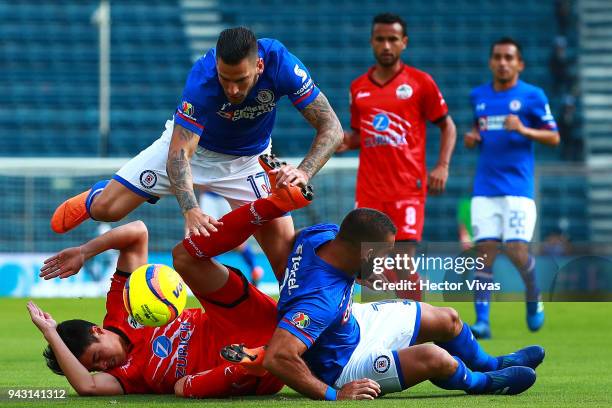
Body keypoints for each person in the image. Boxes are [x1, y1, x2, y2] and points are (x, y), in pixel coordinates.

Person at [170, 159, 544, 401]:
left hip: (353, 322)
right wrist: (334, 394)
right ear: (358, 252)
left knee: (447, 319)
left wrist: (275, 176)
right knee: (436, 358)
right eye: (380, 254)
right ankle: (486, 385)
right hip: (344, 362)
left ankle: (492, 363)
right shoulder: (317, 302)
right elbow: (282, 357)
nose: (386, 261)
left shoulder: (323, 236)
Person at [50, 26, 341, 280]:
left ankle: (294, 333)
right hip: (193, 151)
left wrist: (303, 171)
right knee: (107, 211)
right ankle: (96, 196)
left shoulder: (282, 64)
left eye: (240, 80)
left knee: (284, 262)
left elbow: (332, 128)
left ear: (260, 67)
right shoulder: (202, 80)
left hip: (247, 162)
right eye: (225, 78)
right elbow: (178, 154)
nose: (232, 89)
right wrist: (190, 209)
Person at [27, 218, 286, 398]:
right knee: (182, 388)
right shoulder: (123, 376)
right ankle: (252, 363)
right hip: (255, 376)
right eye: (96, 368)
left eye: (97, 358)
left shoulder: (121, 305)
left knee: (185, 258)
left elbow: (137, 232)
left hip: (242, 321)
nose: (104, 366)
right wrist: (50, 332)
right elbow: (87, 387)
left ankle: (270, 225)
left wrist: (85, 251)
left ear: (97, 331)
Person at [337, 13, 456, 299]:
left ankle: (420, 326)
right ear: (371, 42)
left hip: (407, 188)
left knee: (402, 264)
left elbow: (447, 125)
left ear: (404, 43)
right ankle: (386, 328)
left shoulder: (420, 83)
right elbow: (360, 136)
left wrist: (442, 165)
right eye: (380, 39)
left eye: (393, 39)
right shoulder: (358, 87)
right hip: (369, 190)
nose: (386, 45)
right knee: (369, 270)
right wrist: (341, 142)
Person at [464, 37, 560, 339]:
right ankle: (483, 321)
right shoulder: (478, 96)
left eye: (509, 57)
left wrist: (524, 129)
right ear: (491, 62)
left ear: (519, 64)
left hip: (518, 189)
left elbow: (554, 137)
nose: (503, 62)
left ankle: (533, 294)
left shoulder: (532, 95)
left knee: (517, 251)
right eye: (498, 57)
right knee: (485, 253)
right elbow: (479, 130)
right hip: (484, 188)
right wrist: (472, 139)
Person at [199, 190, 264, 286]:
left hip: (226, 193)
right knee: (209, 237)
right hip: (208, 195)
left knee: (237, 241)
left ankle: (254, 268)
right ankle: (214, 277)